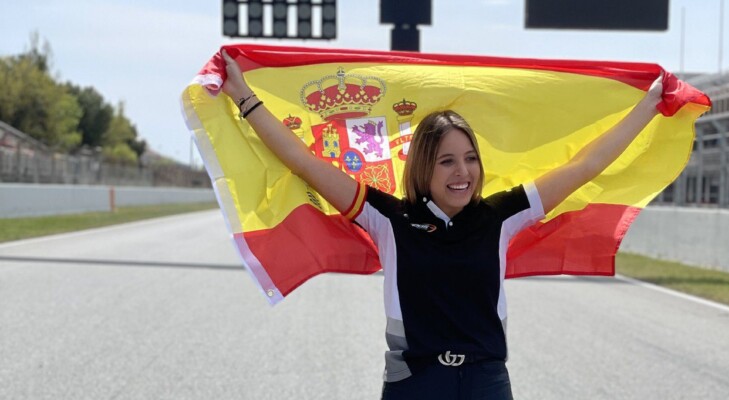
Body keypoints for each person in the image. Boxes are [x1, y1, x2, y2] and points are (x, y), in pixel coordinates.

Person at [221, 50, 663, 400]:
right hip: (413, 384)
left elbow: (586, 165)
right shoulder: (388, 219)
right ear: (422, 168)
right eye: (447, 161)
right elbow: (302, 161)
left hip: (486, 384)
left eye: (470, 159)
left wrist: (649, 107)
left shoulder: (500, 216)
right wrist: (244, 97)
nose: (462, 172)